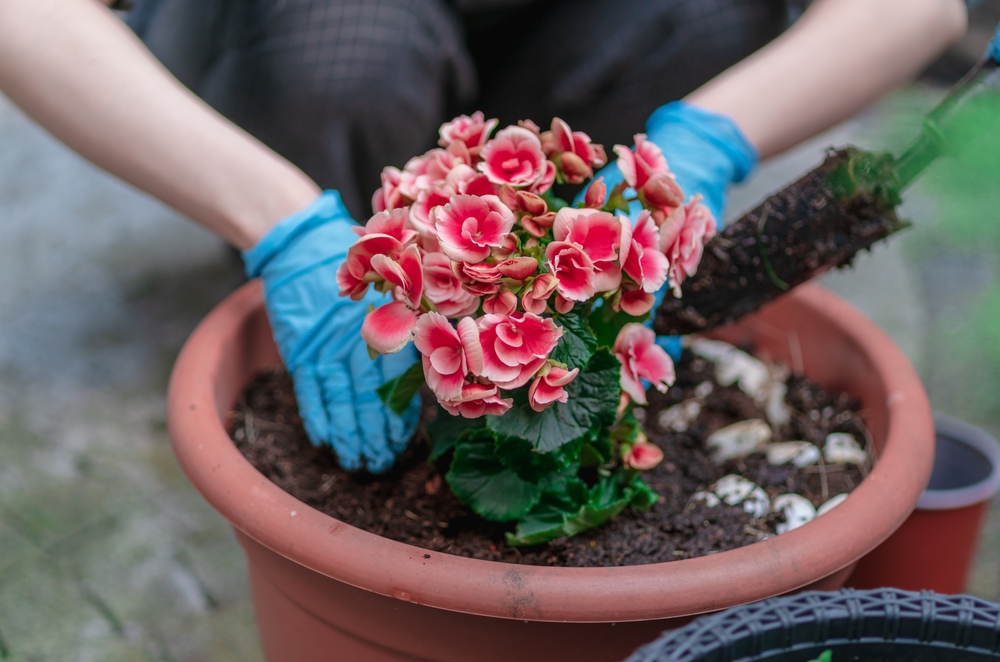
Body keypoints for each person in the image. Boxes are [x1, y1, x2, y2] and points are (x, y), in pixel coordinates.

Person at [0, 0, 968, 472]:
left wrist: (703, 140)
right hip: (304, 50)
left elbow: (916, 6)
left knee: (703, 11)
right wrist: (280, 223)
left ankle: (536, 317)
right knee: (342, 51)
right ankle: (334, 270)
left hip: (565, 50)